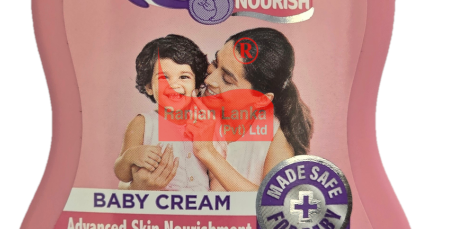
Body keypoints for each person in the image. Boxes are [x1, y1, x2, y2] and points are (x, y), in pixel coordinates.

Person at [132, 27, 313, 192]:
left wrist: (207, 152)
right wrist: (139, 186)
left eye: (227, 79)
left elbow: (274, 203)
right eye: (215, 63)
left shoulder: (276, 135)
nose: (209, 80)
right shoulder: (187, 110)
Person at [114, 34, 216, 191]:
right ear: (149, 87)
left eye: (184, 77)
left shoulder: (204, 122)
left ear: (196, 86)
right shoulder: (143, 123)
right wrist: (131, 156)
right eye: (163, 77)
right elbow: (122, 174)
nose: (173, 84)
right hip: (159, 202)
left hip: (201, 204)